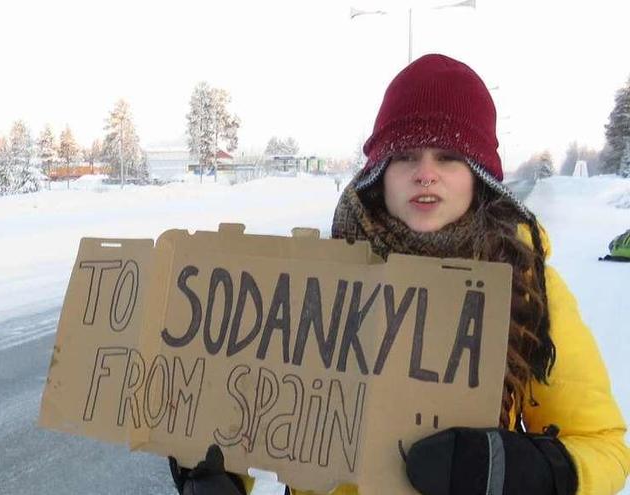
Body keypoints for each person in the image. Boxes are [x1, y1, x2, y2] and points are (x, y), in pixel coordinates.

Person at [169, 54, 630, 495]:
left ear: (479, 177)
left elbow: (604, 446)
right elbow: (256, 406)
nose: (425, 174)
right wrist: (219, 473)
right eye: (406, 155)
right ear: (380, 173)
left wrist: (526, 472)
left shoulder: (524, 289)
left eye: (448, 156)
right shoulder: (319, 280)